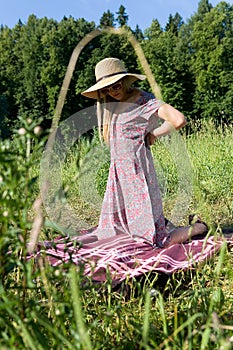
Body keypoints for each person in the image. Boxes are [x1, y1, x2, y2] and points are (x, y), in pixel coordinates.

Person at [81, 57, 208, 248]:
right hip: (118, 177)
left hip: (137, 176)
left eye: (115, 86)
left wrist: (154, 133)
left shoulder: (143, 101)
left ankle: (199, 228)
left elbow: (178, 119)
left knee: (155, 241)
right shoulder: (112, 106)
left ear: (125, 81)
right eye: (106, 89)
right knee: (115, 233)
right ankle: (163, 224)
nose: (112, 92)